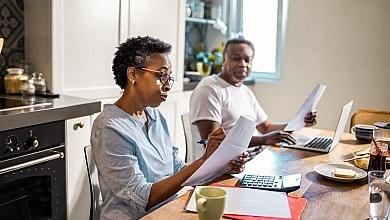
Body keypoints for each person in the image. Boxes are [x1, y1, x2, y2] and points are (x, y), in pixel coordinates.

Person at [91, 36, 249, 219]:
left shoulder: (155, 116)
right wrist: (203, 160)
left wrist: (222, 166)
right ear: (133, 74)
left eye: (169, 77)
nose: (167, 86)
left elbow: (179, 170)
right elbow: (143, 198)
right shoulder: (110, 128)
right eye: (161, 75)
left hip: (169, 210)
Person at [190, 38, 317, 152]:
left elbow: (266, 128)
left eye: (247, 60)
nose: (242, 64)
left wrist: (300, 122)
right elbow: (213, 143)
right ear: (224, 59)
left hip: (256, 155)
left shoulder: (245, 91)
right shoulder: (209, 89)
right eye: (236, 58)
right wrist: (263, 140)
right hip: (229, 165)